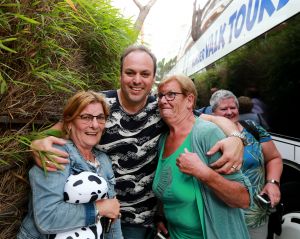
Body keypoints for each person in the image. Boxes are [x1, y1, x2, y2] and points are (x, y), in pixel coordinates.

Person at [30, 45, 246, 239]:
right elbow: (58, 129)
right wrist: (36, 144)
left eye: (145, 74)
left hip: (143, 222)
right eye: (130, 72)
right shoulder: (99, 106)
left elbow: (210, 119)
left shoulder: (162, 108)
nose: (136, 80)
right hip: (96, 215)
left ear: (153, 78)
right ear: (120, 75)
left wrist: (236, 138)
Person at [152, 74, 252, 239]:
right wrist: (162, 216)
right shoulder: (163, 140)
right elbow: (167, 183)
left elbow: (244, 199)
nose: (163, 101)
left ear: (189, 100)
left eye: (171, 95)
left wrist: (203, 173)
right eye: (160, 95)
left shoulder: (207, 133)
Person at [17, 91, 122, 239]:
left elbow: (113, 215)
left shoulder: (103, 160)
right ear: (69, 123)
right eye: (85, 117)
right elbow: (47, 218)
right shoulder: (57, 153)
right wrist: (99, 208)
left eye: (100, 118)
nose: (94, 125)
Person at [210, 89, 283, 239]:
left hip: (255, 215)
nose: (230, 112)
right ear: (213, 113)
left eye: (233, 107)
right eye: (224, 109)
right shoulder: (206, 135)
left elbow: (274, 158)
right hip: (222, 217)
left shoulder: (253, 128)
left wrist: (273, 183)